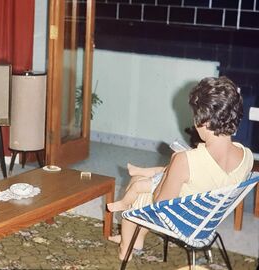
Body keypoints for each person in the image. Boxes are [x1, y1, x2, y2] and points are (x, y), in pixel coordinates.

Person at [107, 76, 254, 260]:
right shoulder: (247, 156)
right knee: (142, 181)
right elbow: (209, 174)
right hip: (207, 220)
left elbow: (160, 204)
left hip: (183, 221)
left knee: (136, 191)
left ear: (205, 122)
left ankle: (126, 248)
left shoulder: (186, 160)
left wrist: (174, 164)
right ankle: (135, 240)